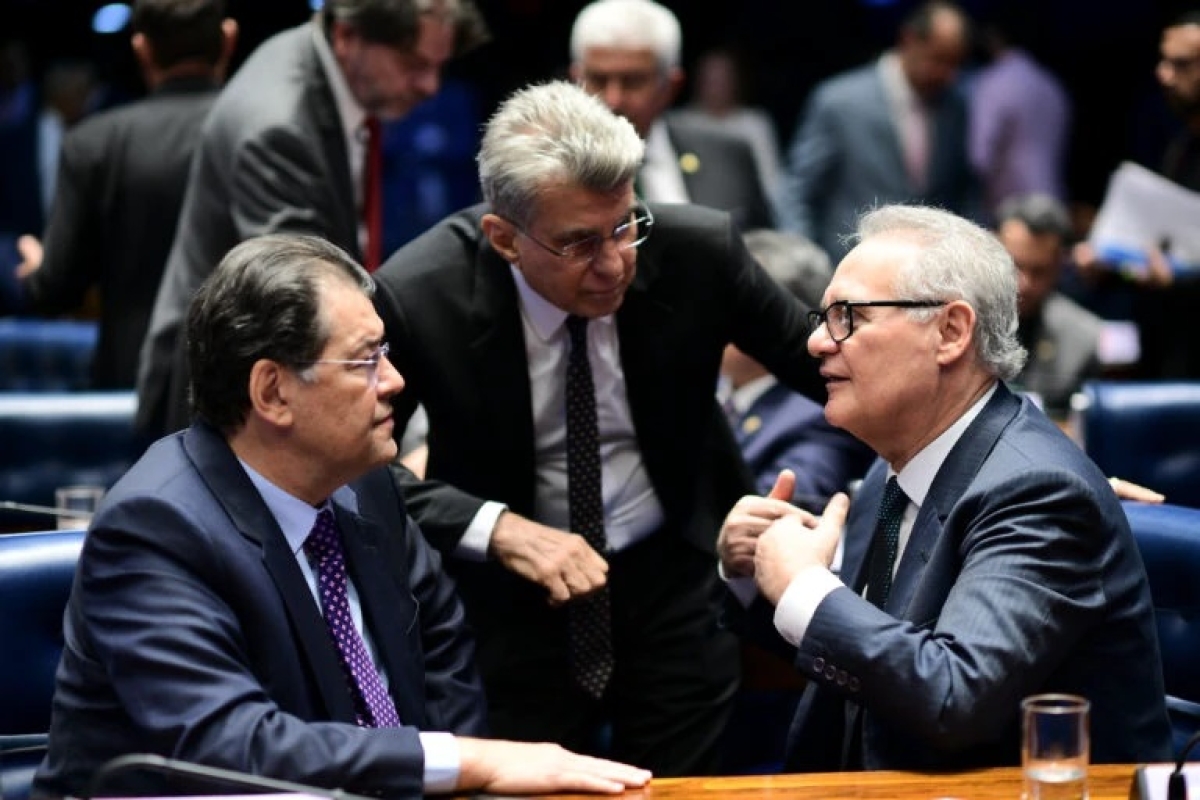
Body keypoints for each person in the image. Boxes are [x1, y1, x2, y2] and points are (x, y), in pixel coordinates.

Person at [33, 233, 651, 799]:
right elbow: (234, 745)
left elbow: (441, 642)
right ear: (272, 391)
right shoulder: (156, 531)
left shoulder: (367, 484)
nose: (394, 380)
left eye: (385, 351)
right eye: (364, 361)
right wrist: (464, 762)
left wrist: (457, 780)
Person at [371, 79, 825, 776]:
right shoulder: (421, 294)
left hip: (673, 576)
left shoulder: (698, 252)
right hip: (513, 601)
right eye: (579, 243)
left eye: (624, 225)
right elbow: (355, 470)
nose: (614, 263)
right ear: (504, 238)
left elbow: (831, 371)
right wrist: (496, 528)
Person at [717, 204, 1173, 771]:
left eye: (847, 317)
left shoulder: (1037, 490)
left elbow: (956, 698)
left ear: (951, 332)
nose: (816, 343)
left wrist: (805, 585)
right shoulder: (897, 466)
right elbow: (871, 654)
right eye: (822, 318)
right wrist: (756, 575)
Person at [135, 0, 489, 440]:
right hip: (231, 412)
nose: (429, 86)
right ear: (347, 37)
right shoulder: (278, 126)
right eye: (412, 63)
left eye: (438, 66)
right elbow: (307, 304)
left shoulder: (315, 63)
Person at [14, 0, 236, 390]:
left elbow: (56, 291)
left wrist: (38, 270)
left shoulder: (93, 143)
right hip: (247, 387)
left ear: (141, 49)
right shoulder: (267, 134)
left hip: (134, 385)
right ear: (228, 39)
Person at [778, 0, 977, 261]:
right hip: (847, 268)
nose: (947, 74)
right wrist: (804, 264)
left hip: (923, 274)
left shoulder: (955, 105)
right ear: (909, 40)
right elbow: (797, 190)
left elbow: (960, 190)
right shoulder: (840, 101)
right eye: (939, 59)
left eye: (955, 64)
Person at [569, 0, 775, 231]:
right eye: (598, 79)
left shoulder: (727, 154)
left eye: (633, 81)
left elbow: (763, 252)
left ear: (670, 86)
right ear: (576, 79)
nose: (613, 100)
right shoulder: (543, 169)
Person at [719, 228, 874, 511]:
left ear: (773, 315)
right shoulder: (703, 384)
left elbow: (779, 511)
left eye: (722, 302)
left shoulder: (823, 415)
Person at [996, 193, 1101, 418]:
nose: (1024, 283)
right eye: (1015, 266)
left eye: (1039, 271)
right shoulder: (959, 322)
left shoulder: (1083, 337)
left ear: (1059, 267)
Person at [968, 4, 1071, 219]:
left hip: (1012, 210)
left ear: (993, 36)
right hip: (1054, 200)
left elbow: (979, 157)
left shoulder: (994, 82)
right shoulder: (1050, 84)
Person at [670, 46, 785, 213]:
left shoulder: (754, 123)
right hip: (692, 209)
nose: (716, 87)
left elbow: (771, 181)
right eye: (710, 80)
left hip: (743, 214)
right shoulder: (678, 123)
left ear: (736, 81)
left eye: (723, 80)